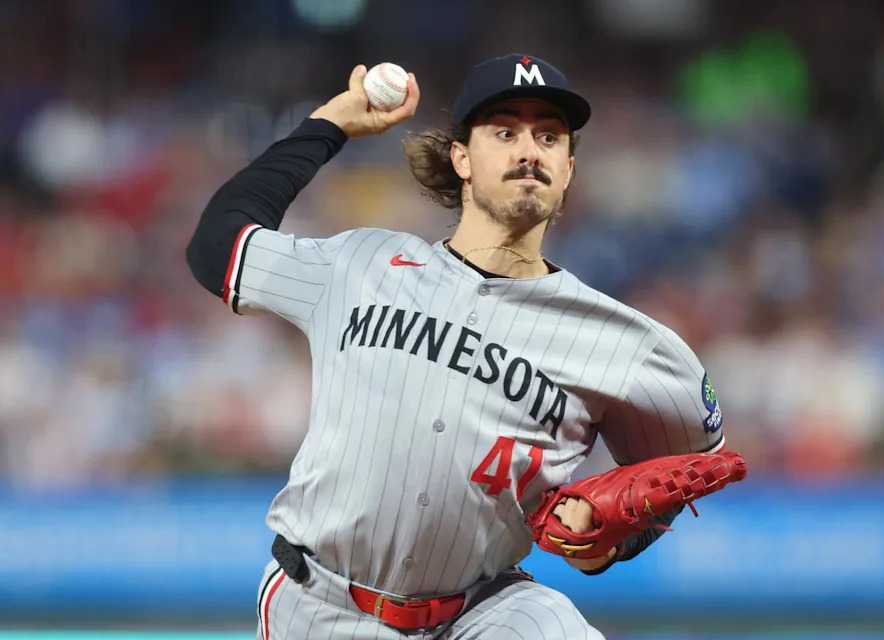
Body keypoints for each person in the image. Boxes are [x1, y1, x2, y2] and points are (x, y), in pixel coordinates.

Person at [187, 53, 727, 640]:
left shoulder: (622, 341)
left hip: (482, 611)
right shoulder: (360, 263)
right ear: (461, 158)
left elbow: (683, 469)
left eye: (549, 137)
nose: (529, 151)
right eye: (505, 132)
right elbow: (218, 247)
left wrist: (610, 541)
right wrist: (330, 124)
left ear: (568, 169)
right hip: (317, 604)